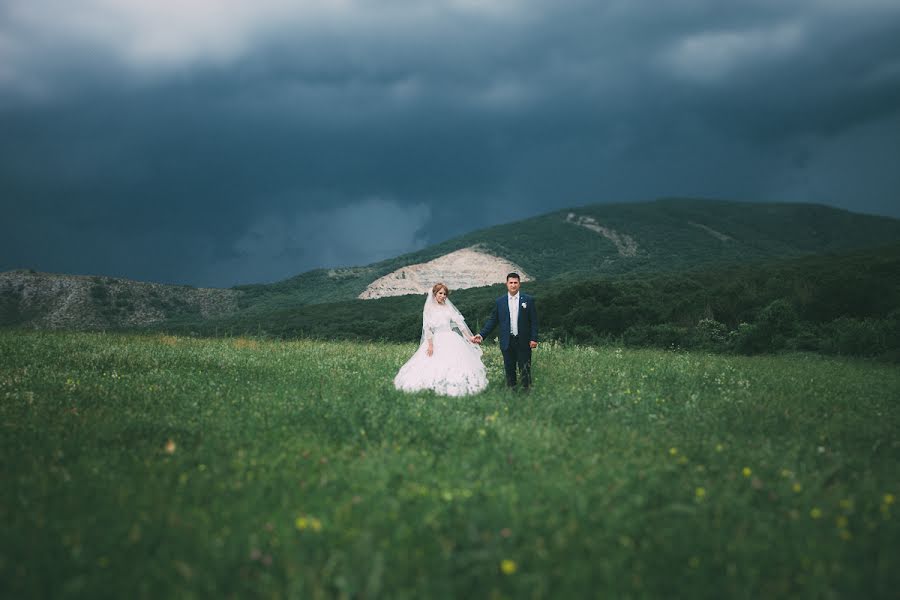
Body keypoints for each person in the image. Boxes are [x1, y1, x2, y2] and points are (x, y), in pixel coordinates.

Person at [394, 283, 488, 397]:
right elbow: (427, 329)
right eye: (440, 293)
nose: (443, 296)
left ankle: (453, 382)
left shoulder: (448, 308)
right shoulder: (429, 309)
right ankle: (434, 383)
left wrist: (470, 337)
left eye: (445, 294)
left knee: (455, 362)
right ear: (435, 294)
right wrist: (430, 345)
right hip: (437, 338)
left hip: (451, 337)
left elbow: (460, 324)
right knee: (433, 362)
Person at [472, 273, 538, 390]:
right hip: (507, 341)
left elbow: (533, 321)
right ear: (506, 284)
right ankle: (511, 392)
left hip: (524, 341)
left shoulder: (528, 300)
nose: (513, 285)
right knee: (509, 368)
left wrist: (534, 338)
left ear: (519, 284)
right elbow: (493, 321)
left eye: (515, 282)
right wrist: (481, 335)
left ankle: (526, 393)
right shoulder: (500, 302)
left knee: (525, 368)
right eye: (511, 283)